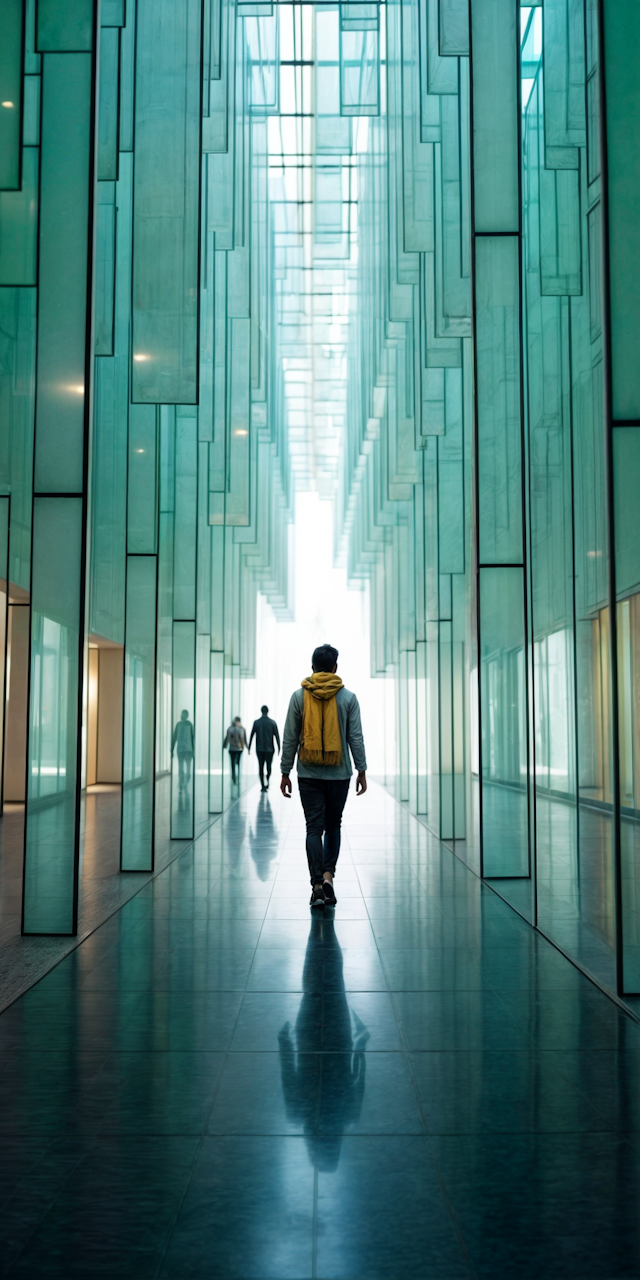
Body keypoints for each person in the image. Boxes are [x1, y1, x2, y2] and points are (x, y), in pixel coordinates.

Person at [280, 642, 367, 909]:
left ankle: (316, 883)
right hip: (339, 774)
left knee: (313, 828)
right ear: (335, 667)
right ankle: (329, 877)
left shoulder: (299, 696)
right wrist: (361, 769)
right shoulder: (348, 698)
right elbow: (355, 737)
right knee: (333, 825)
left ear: (312, 667)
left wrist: (285, 772)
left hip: (307, 774)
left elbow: (290, 738)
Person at [249, 705, 281, 792]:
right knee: (269, 767)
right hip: (270, 749)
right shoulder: (272, 722)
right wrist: (279, 747)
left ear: (261, 711)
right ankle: (267, 778)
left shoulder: (256, 722)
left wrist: (249, 747)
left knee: (261, 766)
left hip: (259, 749)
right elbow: (277, 736)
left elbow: (252, 735)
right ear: (268, 711)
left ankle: (263, 785)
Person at [171, 709, 194, 792]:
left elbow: (174, 738)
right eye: (182, 714)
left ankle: (183, 783)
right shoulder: (186, 724)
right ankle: (183, 783)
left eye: (183, 715)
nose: (182, 716)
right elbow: (174, 738)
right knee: (183, 767)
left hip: (185, 750)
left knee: (184, 768)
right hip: (186, 750)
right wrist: (171, 750)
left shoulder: (183, 725)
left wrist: (172, 750)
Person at [223, 716, 247, 785]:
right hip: (232, 749)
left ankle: (237, 777)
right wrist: (224, 745)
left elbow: (244, 739)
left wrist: (247, 747)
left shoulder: (241, 729)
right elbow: (227, 737)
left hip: (239, 749)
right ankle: (234, 777)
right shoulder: (231, 729)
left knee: (238, 763)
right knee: (233, 763)